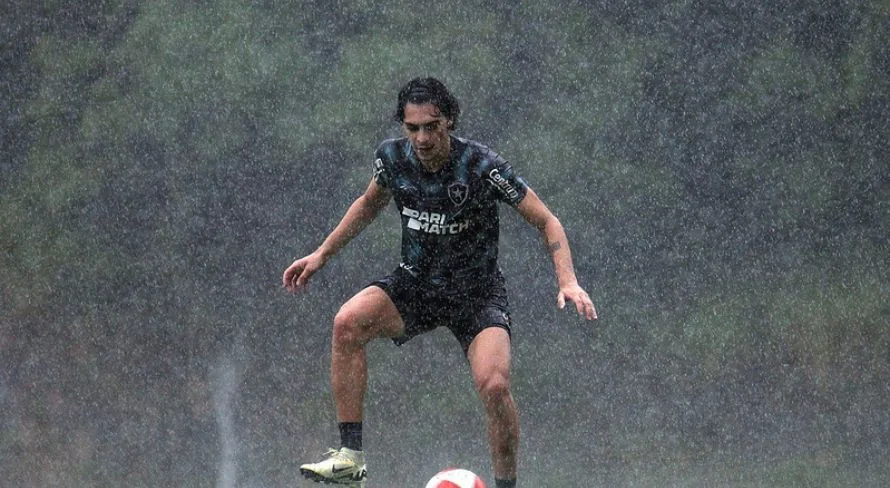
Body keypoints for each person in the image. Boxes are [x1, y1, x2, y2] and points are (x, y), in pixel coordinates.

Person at [283, 77, 596, 488]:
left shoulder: (483, 167)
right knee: (347, 322)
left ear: (449, 121)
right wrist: (321, 254)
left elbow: (546, 220)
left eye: (431, 126)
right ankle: (350, 458)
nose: (422, 138)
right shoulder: (393, 159)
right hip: (415, 285)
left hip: (476, 294)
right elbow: (368, 204)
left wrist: (567, 280)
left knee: (496, 386)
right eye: (412, 128)